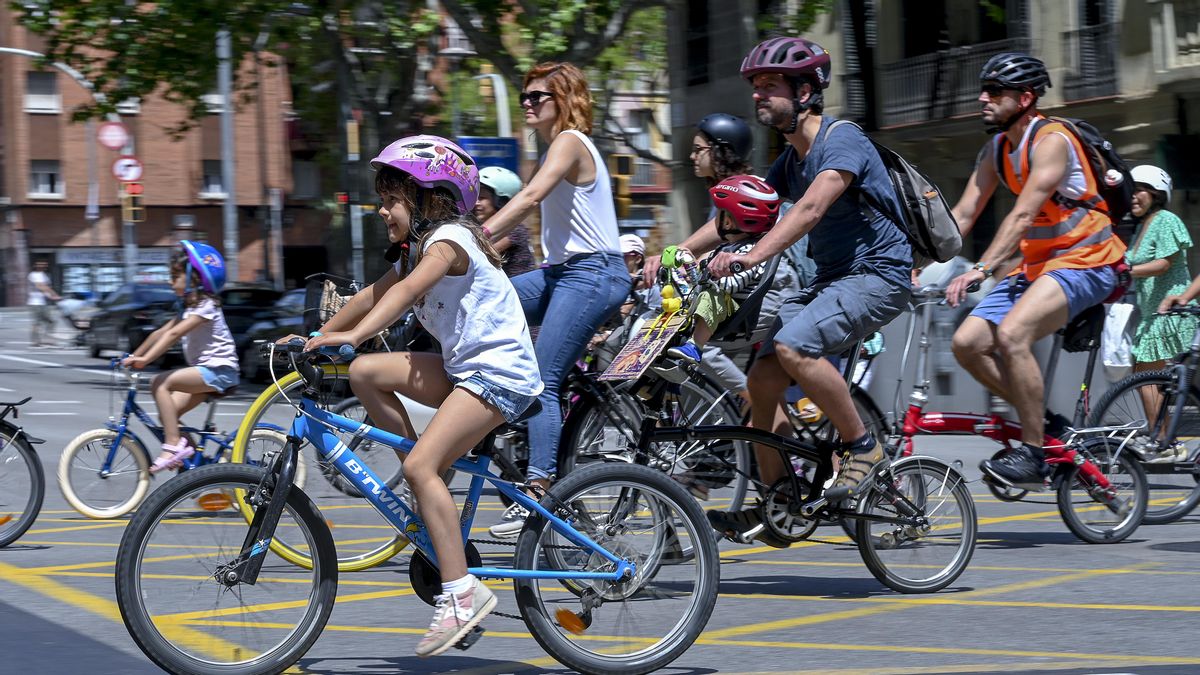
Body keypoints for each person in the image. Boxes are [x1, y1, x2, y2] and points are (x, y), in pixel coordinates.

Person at [647, 37, 913, 546]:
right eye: (755, 87)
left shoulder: (842, 141)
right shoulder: (790, 160)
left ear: (807, 90)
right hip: (831, 280)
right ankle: (780, 500)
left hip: (878, 274)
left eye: (770, 86)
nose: (758, 96)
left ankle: (863, 446)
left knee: (794, 344)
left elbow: (809, 211)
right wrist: (676, 251)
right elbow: (748, 214)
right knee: (762, 384)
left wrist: (750, 256)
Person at [299, 135, 543, 657]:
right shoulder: (415, 251)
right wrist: (317, 336)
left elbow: (408, 294)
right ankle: (422, 466)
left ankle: (461, 593)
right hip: (464, 370)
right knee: (365, 373)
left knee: (419, 466)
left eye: (391, 200)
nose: (382, 211)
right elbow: (373, 294)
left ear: (428, 196)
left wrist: (351, 334)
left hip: (498, 375)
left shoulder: (450, 240)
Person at [943, 52, 1128, 487]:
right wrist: (914, 262)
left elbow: (1024, 215)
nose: (982, 98)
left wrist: (982, 268)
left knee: (1011, 335)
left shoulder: (1052, 141)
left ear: (1025, 98)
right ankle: (1045, 422)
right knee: (967, 344)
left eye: (994, 92)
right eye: (983, 90)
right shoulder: (996, 149)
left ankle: (1034, 454)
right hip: (1041, 266)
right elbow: (964, 213)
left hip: (1090, 260)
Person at [478, 62, 632, 538]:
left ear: (564, 101)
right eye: (524, 96)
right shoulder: (554, 147)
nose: (527, 103)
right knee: (481, 306)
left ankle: (540, 491)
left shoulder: (569, 141)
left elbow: (528, 198)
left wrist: (472, 237)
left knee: (541, 381)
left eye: (537, 97)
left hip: (593, 273)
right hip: (563, 273)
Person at [121, 241, 239, 472]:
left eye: (174, 277)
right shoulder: (189, 309)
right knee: (169, 415)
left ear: (193, 279)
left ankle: (173, 445)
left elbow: (174, 334)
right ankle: (196, 467)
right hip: (207, 372)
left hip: (220, 371)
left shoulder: (206, 306)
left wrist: (145, 361)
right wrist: (133, 355)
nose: (169, 281)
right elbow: (160, 332)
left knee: (160, 382)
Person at [665, 175, 781, 364]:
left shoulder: (751, 253)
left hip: (728, 308)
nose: (715, 218)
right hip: (714, 300)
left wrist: (703, 273)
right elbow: (704, 270)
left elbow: (731, 285)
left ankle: (695, 347)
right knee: (676, 299)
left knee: (709, 296)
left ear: (728, 222)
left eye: (719, 213)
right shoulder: (725, 248)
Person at [1122, 165, 1195, 461]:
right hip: (1152, 313)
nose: (1134, 196)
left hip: (1171, 310)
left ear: (1156, 193)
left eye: (1139, 189)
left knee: (1148, 373)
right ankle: (1161, 438)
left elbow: (1164, 263)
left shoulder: (1166, 220)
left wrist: (1126, 272)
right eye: (1132, 190)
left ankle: (1166, 441)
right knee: (1143, 372)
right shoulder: (1141, 226)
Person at [475, 166, 536, 277]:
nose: (476, 203)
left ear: (501, 201)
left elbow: (480, 252)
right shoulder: (477, 225)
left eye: (482, 198)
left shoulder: (513, 229)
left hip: (518, 289)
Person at [27, 259, 61, 347]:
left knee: (51, 321)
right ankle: (35, 341)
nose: (42, 265)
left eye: (44, 264)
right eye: (39, 264)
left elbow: (44, 290)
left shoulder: (44, 275)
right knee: (37, 322)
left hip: (43, 302)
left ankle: (47, 338)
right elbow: (40, 286)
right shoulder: (33, 275)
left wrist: (51, 297)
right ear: (35, 265)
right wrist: (54, 294)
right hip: (35, 303)